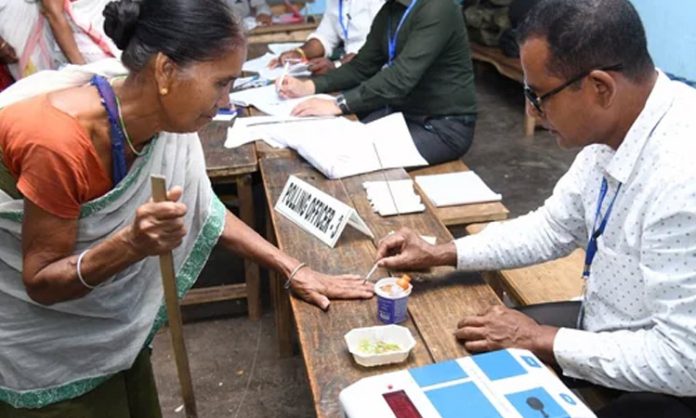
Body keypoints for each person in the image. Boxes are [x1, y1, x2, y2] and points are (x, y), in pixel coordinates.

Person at [0, 0, 372, 415]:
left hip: (114, 341)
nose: (226, 99)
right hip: (42, 346)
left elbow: (202, 207)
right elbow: (41, 280)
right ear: (164, 71)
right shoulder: (60, 141)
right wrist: (130, 244)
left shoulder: (156, 117)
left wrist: (294, 269)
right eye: (221, 83)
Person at [374, 0, 696, 416]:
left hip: (673, 384)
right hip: (609, 322)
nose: (530, 111)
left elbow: (685, 360)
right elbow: (552, 227)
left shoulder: (680, 178)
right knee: (469, 340)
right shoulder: (616, 133)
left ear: (601, 87)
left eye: (538, 95)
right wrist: (441, 253)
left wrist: (540, 338)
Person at [276, 0, 478, 165]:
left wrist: (338, 104)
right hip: (402, 115)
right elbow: (362, 67)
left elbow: (400, 78)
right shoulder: (390, 11)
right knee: (322, 144)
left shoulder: (439, 8)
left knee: (343, 159)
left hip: (442, 128)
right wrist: (308, 87)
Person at [0, 0, 118, 81]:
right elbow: (53, 13)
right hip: (16, 19)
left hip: (54, 22)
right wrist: (83, 69)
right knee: (38, 87)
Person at [272, 0, 384, 75]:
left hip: (377, 76)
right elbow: (324, 36)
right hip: (349, 73)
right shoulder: (335, 2)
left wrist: (336, 65)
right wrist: (300, 53)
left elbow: (377, 51)